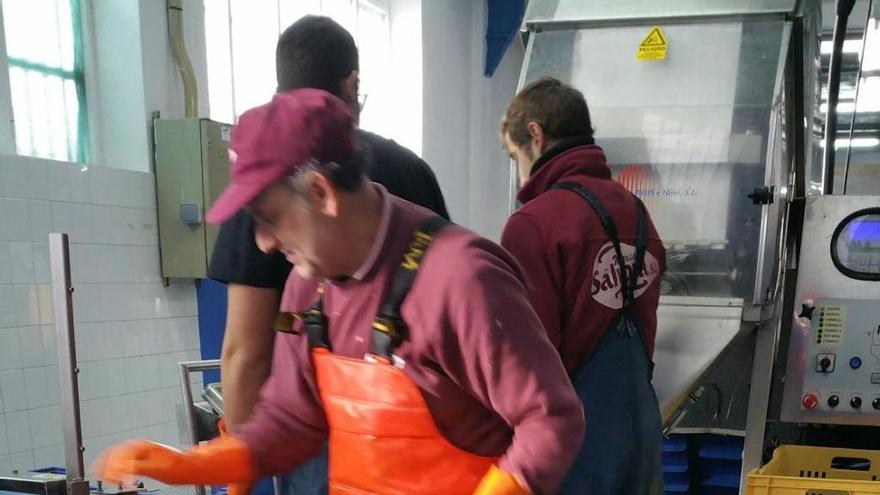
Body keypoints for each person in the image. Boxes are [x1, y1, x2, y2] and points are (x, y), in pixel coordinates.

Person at [94, 89, 585, 494]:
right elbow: (289, 422)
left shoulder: (461, 279)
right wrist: (190, 465)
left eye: (268, 218)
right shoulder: (306, 289)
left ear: (322, 193)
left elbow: (551, 419)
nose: (263, 242)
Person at [209, 16, 449, 494]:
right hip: (421, 439)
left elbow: (245, 354)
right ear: (351, 83)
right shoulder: (412, 171)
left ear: (323, 195)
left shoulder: (268, 190)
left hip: (320, 440)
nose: (269, 239)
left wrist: (239, 470)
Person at [498, 77, 666, 494]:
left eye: (513, 154)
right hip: (639, 422)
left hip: (573, 437)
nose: (518, 171)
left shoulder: (534, 223)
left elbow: (531, 354)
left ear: (535, 135)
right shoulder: (636, 210)